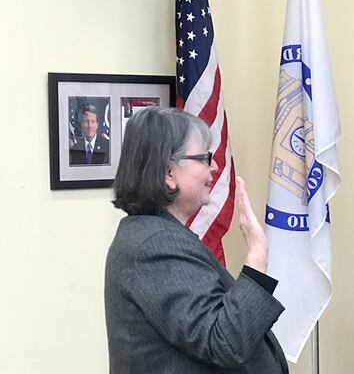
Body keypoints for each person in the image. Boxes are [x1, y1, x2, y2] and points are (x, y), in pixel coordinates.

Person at [105, 107, 288, 374]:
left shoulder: (155, 235)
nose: (214, 167)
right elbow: (225, 342)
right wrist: (257, 256)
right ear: (169, 173)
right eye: (204, 158)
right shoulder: (155, 246)